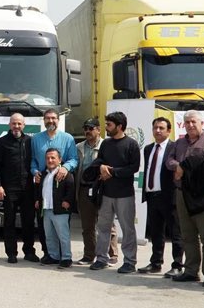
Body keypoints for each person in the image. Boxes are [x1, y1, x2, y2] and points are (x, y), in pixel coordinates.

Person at [165, 110, 204, 286]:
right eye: (187, 122)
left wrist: (184, 167)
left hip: (201, 194)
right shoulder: (179, 142)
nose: (190, 125)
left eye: (193, 122)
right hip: (182, 193)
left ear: (201, 123)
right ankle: (190, 271)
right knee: (187, 235)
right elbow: (169, 161)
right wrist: (179, 166)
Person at [87, 111, 140, 273]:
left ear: (120, 126)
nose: (106, 127)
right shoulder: (106, 144)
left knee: (127, 229)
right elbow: (99, 160)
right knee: (103, 227)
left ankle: (130, 262)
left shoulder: (131, 144)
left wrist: (112, 171)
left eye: (109, 125)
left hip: (124, 194)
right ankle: (101, 259)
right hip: (105, 193)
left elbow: (134, 167)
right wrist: (101, 166)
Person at [30, 109, 78, 257]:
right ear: (43, 120)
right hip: (42, 182)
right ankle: (49, 254)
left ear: (58, 120)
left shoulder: (68, 138)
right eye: (47, 118)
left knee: (61, 226)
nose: (50, 121)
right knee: (45, 226)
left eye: (53, 118)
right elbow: (33, 160)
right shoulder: (36, 139)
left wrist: (65, 167)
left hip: (60, 183)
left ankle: (65, 256)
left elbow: (74, 159)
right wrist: (34, 171)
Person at [138, 117, 182, 276]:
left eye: (161, 128)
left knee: (175, 233)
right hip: (152, 195)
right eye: (155, 127)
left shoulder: (174, 148)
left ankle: (177, 265)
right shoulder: (148, 148)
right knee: (156, 232)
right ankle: (156, 263)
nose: (157, 131)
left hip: (169, 196)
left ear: (169, 131)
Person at [0, 113, 35, 263]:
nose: (16, 126)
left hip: (27, 188)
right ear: (9, 125)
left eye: (19, 123)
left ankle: (29, 252)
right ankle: (11, 253)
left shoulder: (30, 141)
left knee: (28, 221)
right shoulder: (2, 142)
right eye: (14, 123)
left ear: (24, 125)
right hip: (9, 189)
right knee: (9, 222)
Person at [76, 118, 119, 265]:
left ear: (99, 130)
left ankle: (112, 254)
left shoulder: (107, 145)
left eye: (91, 128)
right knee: (87, 226)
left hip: (102, 189)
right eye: (85, 128)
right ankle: (89, 255)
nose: (87, 131)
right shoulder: (79, 147)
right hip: (84, 188)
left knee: (107, 223)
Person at [36, 148, 75, 268]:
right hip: (46, 210)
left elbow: (71, 188)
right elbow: (40, 189)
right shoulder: (43, 174)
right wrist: (38, 200)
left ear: (60, 159)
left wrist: (67, 201)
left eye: (53, 157)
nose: (50, 160)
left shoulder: (65, 174)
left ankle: (66, 258)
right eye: (47, 158)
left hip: (60, 210)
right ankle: (53, 256)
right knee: (49, 235)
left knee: (63, 235)